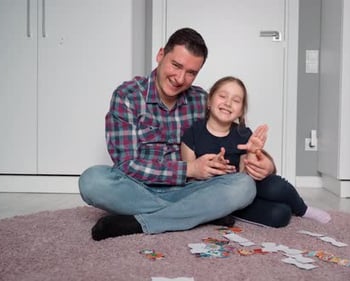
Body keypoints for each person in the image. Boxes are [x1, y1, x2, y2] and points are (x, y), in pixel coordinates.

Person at [78, 27, 276, 241]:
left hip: (191, 190)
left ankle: (142, 222)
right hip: (137, 190)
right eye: (176, 65)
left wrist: (267, 164)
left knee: (244, 186)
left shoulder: (203, 101)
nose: (180, 78)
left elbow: (238, 141)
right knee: (92, 181)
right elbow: (126, 165)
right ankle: (201, 214)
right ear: (161, 55)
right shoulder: (127, 96)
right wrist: (190, 168)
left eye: (191, 72)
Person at [181, 76, 331, 228]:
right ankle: (221, 213)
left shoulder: (243, 133)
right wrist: (209, 171)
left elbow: (248, 175)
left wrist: (253, 152)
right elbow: (189, 177)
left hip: (241, 190)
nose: (227, 103)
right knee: (277, 214)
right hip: (211, 194)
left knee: (279, 198)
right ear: (209, 101)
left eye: (236, 100)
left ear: (241, 111)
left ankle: (303, 210)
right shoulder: (193, 133)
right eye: (222, 96)